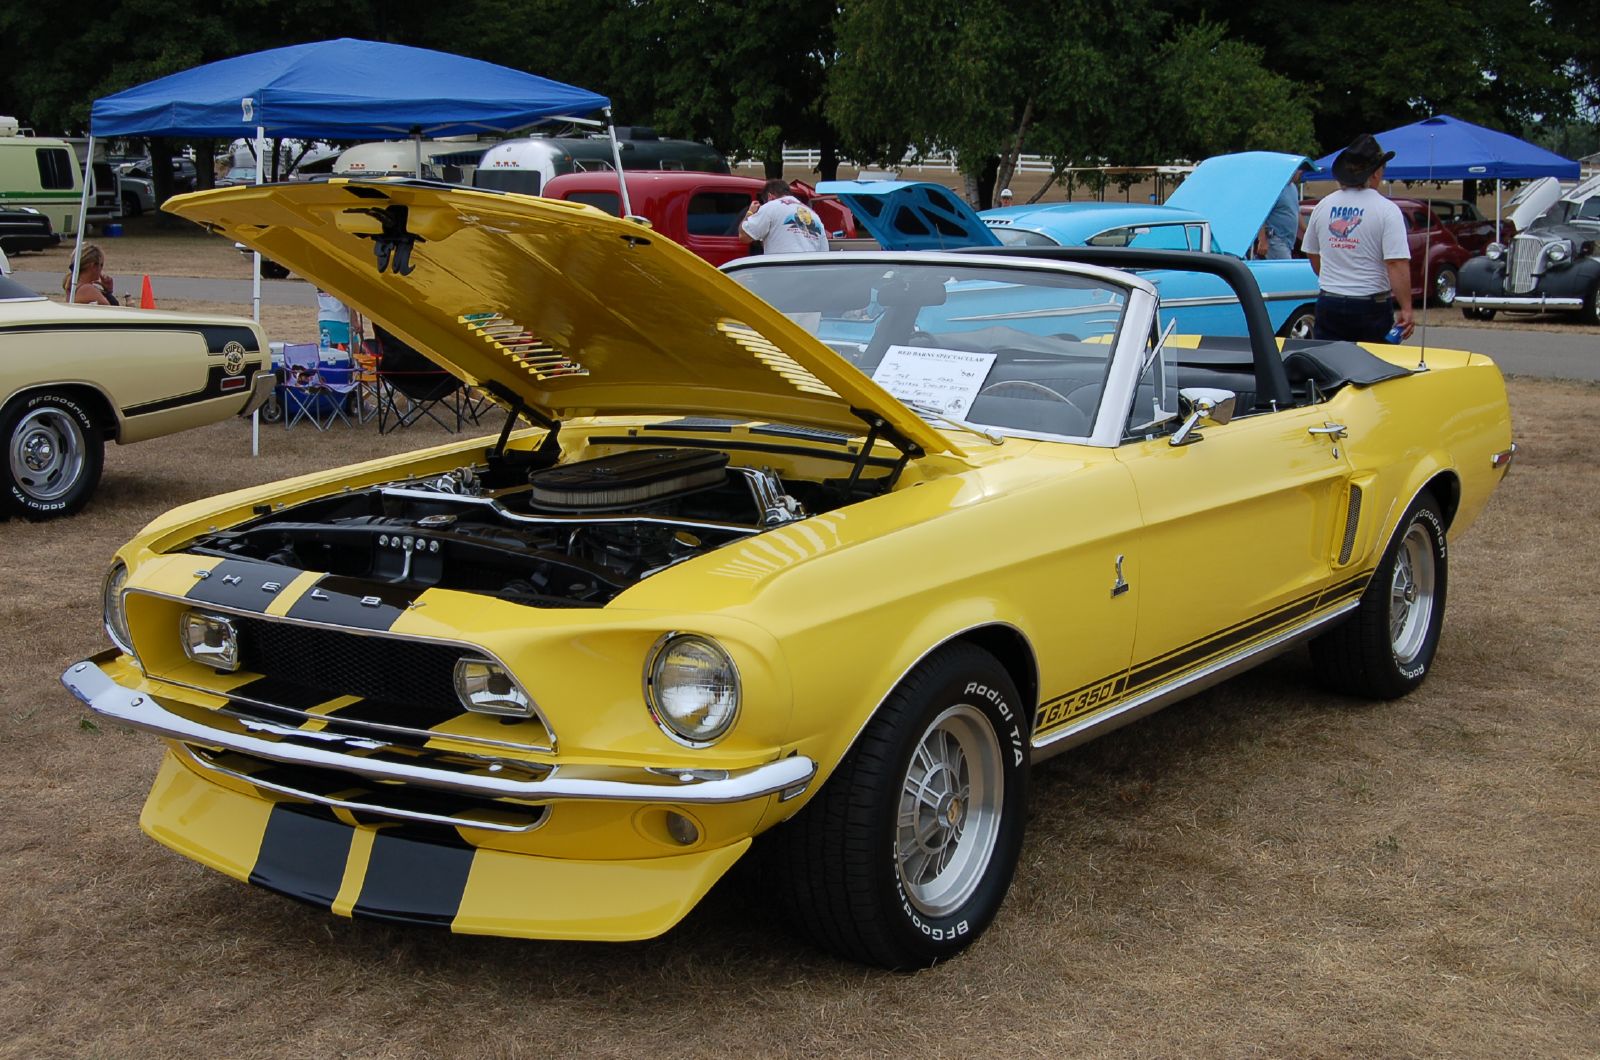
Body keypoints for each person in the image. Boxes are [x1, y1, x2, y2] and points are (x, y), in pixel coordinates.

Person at [1300, 134, 1413, 343]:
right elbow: (1395, 262)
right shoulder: (1387, 210)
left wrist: (1332, 277)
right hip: (1370, 304)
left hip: (1329, 300)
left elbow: (1312, 252)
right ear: (1376, 173)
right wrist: (1406, 307)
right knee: (1371, 366)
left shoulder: (1323, 206)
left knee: (1329, 365)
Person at [739, 179, 829, 254]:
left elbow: (744, 236)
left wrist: (750, 212)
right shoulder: (813, 214)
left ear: (770, 196)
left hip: (782, 270)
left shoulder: (771, 206)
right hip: (809, 271)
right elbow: (824, 252)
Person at [1262, 161, 1312, 259]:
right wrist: (1262, 240)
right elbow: (1261, 215)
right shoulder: (1274, 189)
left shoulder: (1293, 188)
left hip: (1288, 241)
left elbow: (1296, 212)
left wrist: (1308, 231)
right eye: (1298, 169)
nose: (1301, 172)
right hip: (1275, 239)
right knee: (1284, 270)